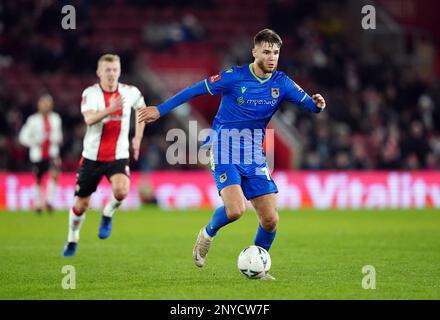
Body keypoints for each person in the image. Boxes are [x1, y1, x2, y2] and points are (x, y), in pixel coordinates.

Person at [138, 29, 326, 279]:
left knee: (270, 220)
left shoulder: (281, 83)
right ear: (255, 51)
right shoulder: (233, 77)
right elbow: (194, 90)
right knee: (236, 210)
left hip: (254, 155)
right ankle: (207, 233)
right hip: (223, 147)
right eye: (267, 51)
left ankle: (257, 265)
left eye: (276, 53)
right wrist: (160, 110)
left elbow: (311, 105)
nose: (272, 57)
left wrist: (318, 104)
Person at [63, 54, 146, 257]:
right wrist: (110, 109)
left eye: (115, 70)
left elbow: (142, 110)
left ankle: (108, 213)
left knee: (121, 191)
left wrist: (137, 138)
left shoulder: (130, 92)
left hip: (117, 155)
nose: (111, 74)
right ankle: (73, 237)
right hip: (92, 157)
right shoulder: (91, 93)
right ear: (99, 72)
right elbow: (89, 119)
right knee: (81, 205)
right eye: (107, 70)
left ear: (120, 71)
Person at [19, 94, 62, 214]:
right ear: (39, 105)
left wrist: (58, 139)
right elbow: (23, 137)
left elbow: (59, 134)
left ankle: (48, 201)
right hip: (37, 155)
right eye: (43, 103)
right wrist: (34, 142)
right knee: (38, 179)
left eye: (48, 104)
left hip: (52, 153)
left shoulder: (56, 118)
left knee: (54, 175)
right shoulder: (33, 120)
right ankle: (38, 204)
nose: (46, 106)